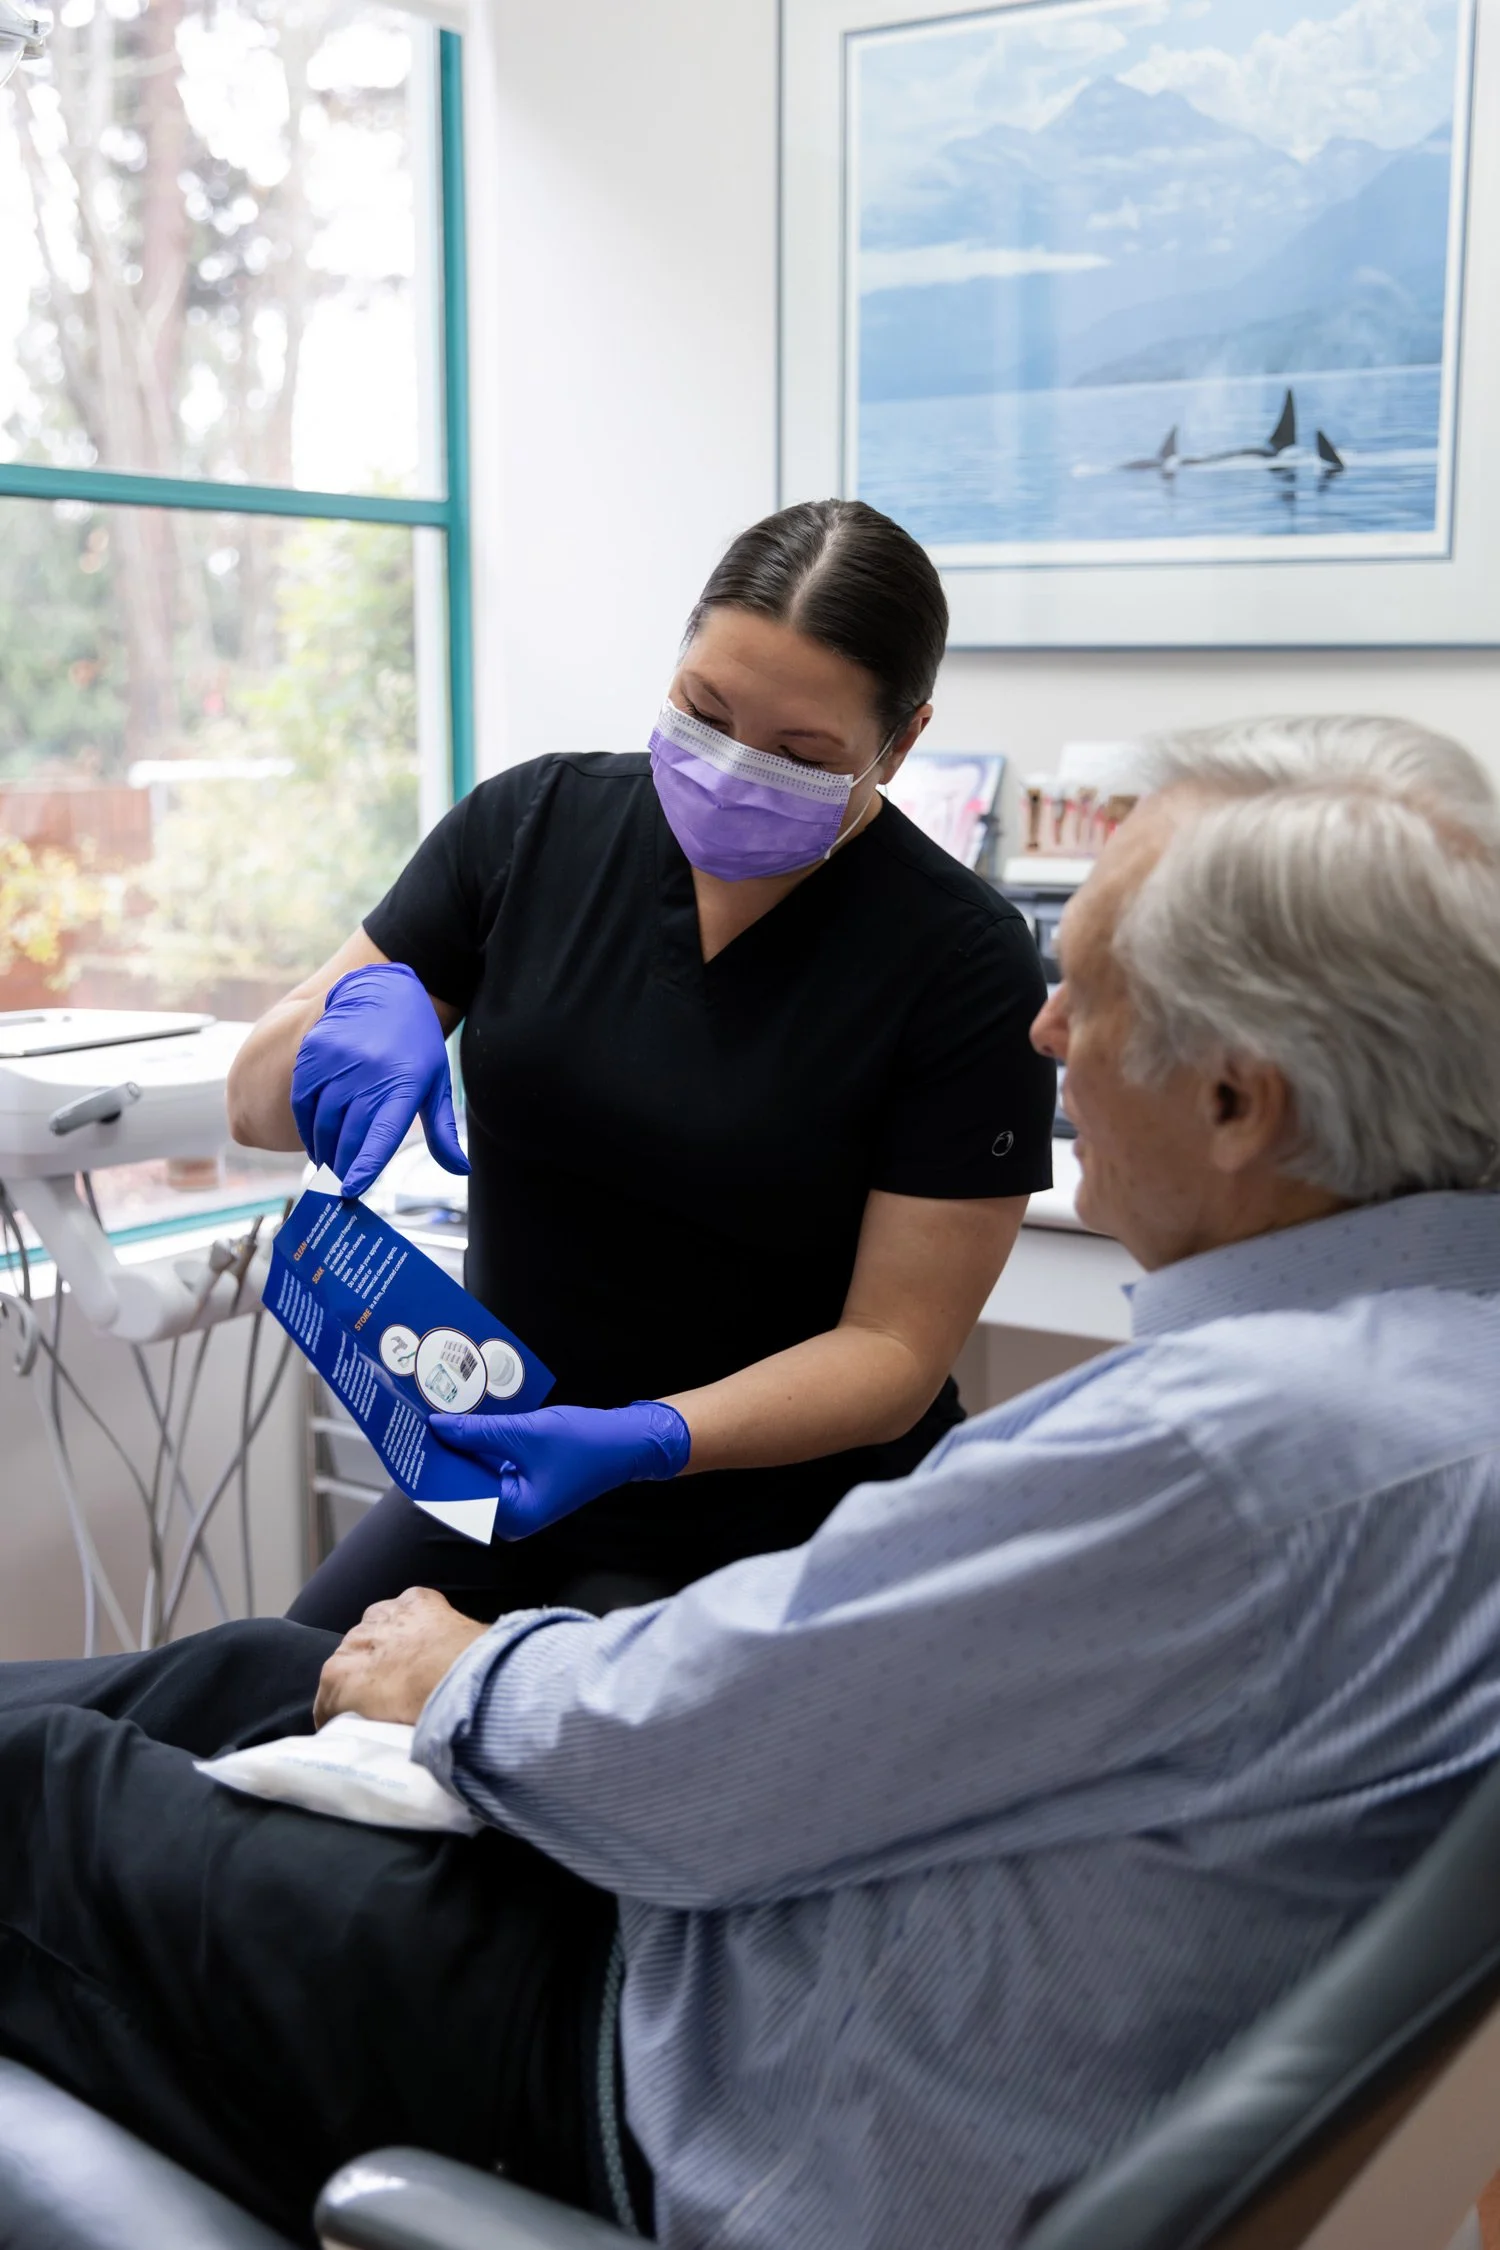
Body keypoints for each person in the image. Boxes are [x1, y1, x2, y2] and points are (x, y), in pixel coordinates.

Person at [4, 717, 1500, 2250]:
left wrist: (469, 1671)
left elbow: (688, 1758)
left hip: (681, 2063)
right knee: (254, 1670)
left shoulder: (1225, 1448)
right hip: (802, 1916)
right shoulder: (1437, 1381)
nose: (1049, 1035)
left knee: (49, 1793)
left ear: (1240, 1104)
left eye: (1097, 998)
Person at [226, 499, 1057, 1629]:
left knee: (535, 1779)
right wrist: (358, 1007)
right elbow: (254, 1105)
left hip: (780, 1513)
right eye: (704, 711)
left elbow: (894, 1350)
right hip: (500, 1464)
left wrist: (653, 1437)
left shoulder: (960, 961)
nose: (731, 767)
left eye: (799, 753)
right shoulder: (534, 825)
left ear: (900, 744)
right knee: (276, 1698)